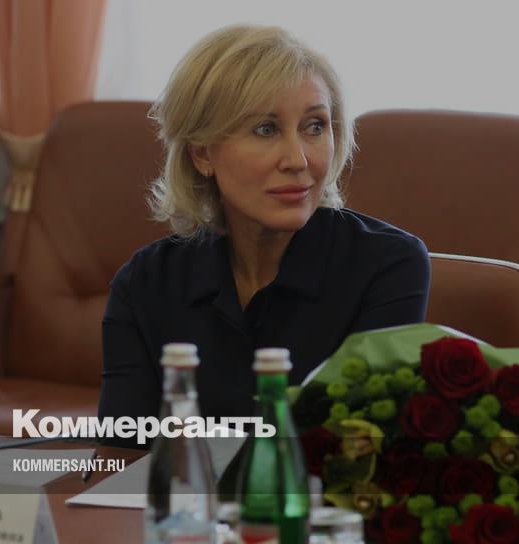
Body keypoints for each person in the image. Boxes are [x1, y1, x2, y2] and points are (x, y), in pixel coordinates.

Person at [98, 25, 430, 443]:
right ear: (202, 153)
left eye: (315, 126)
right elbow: (121, 452)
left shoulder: (388, 266)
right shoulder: (145, 283)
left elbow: (356, 450)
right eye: (266, 130)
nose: (298, 159)